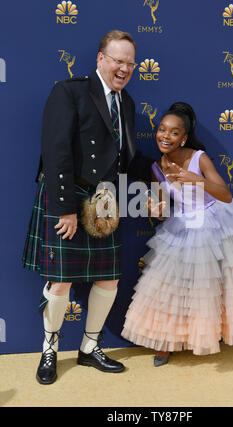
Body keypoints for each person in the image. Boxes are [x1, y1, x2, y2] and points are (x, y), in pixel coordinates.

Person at [22, 30, 153, 384]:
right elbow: (56, 152)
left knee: (109, 278)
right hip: (69, 196)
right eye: (117, 61)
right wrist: (65, 209)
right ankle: (49, 350)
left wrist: (158, 175)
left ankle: (89, 348)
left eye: (130, 63)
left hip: (104, 201)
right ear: (100, 59)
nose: (124, 69)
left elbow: (127, 158)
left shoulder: (126, 102)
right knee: (61, 282)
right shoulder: (70, 92)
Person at [121, 102, 233, 367]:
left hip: (220, 222)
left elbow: (226, 195)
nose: (165, 136)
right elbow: (162, 210)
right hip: (184, 226)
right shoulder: (155, 168)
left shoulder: (199, 158)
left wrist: (194, 179)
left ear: (184, 137)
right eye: (162, 129)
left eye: (174, 132)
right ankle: (165, 342)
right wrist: (156, 207)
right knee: (169, 286)